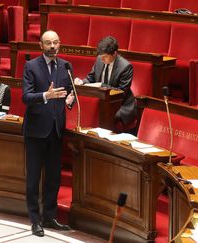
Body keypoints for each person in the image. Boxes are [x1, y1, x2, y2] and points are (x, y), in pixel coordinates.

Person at [22, 30, 75, 237]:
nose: (52, 46)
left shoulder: (65, 66)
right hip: (36, 131)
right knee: (34, 178)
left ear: (59, 44)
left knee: (53, 177)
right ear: (41, 46)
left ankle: (50, 217)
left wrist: (70, 98)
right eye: (48, 43)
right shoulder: (31, 66)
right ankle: (35, 220)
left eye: (55, 42)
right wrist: (46, 95)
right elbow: (26, 97)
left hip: (55, 130)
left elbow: (69, 91)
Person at [74, 36, 136, 126]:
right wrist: (82, 82)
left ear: (114, 54)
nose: (102, 59)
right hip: (101, 102)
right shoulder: (100, 59)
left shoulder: (125, 67)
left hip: (120, 105)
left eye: (105, 57)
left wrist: (102, 85)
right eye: (100, 56)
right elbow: (91, 78)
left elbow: (121, 93)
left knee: (103, 116)